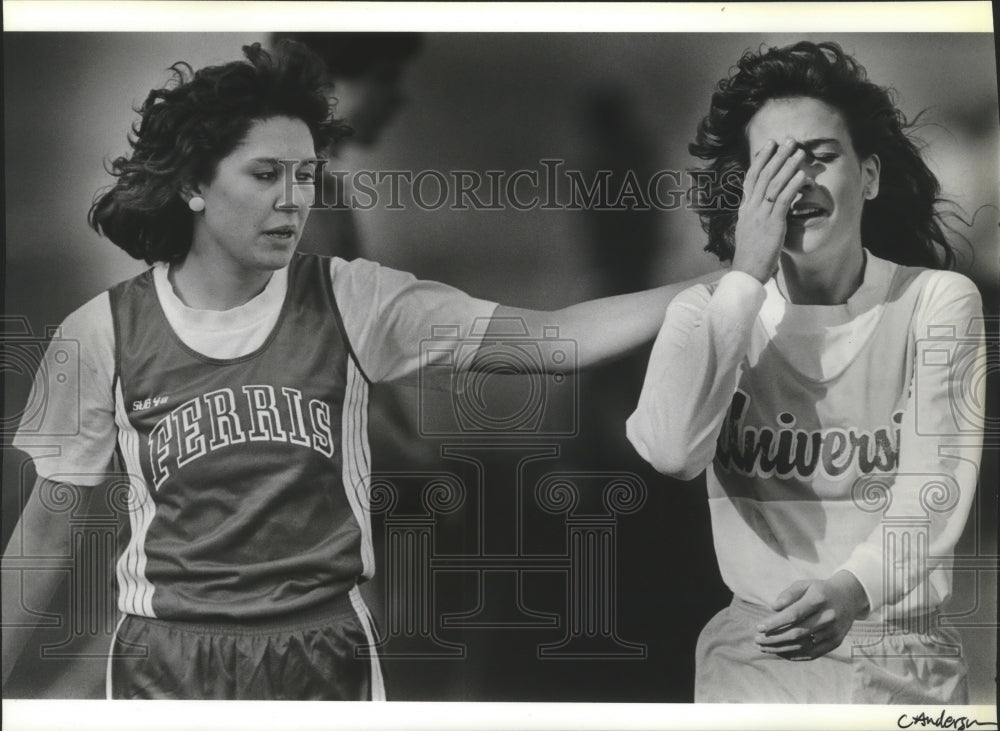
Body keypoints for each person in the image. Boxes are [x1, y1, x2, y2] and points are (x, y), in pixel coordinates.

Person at [2, 41, 715, 700]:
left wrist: (723, 284)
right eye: (265, 174)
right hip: (166, 668)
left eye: (306, 175)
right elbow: (45, 536)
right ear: (193, 183)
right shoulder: (99, 333)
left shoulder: (353, 295)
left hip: (322, 660)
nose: (293, 198)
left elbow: (552, 338)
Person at [626, 41, 985, 703]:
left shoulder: (937, 302)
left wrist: (849, 591)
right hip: (753, 660)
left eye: (819, 157)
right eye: (773, 165)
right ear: (746, 191)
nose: (799, 182)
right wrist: (745, 277)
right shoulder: (704, 311)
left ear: (869, 176)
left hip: (900, 658)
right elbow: (672, 450)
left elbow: (932, 496)